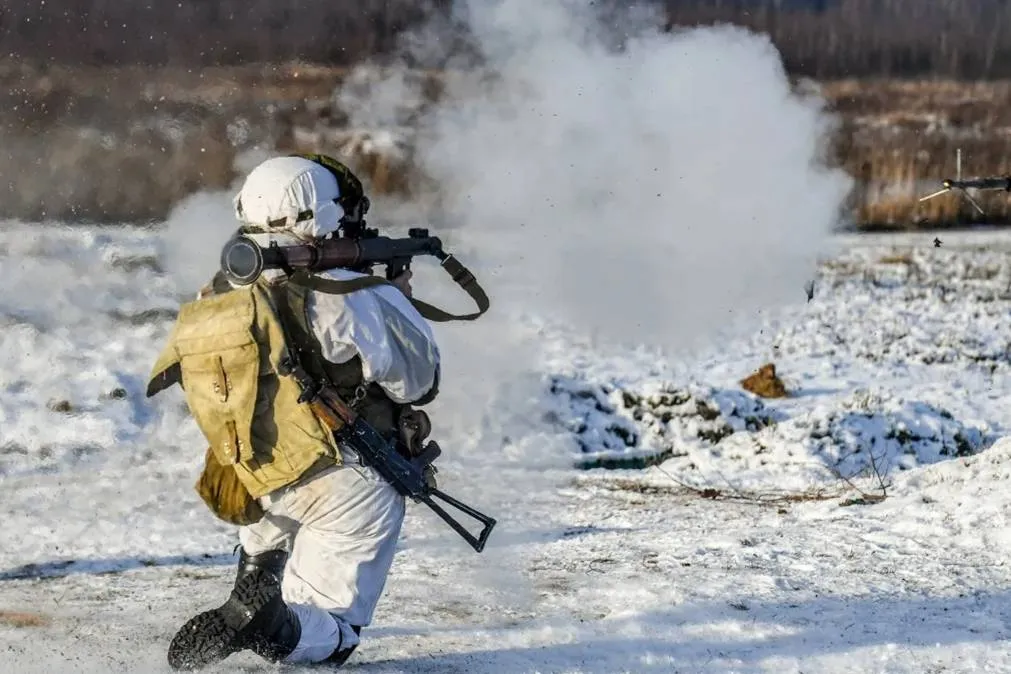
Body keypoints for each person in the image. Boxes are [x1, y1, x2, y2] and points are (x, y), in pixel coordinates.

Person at [147, 154, 441, 670]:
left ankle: (253, 586)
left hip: (258, 472)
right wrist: (399, 302)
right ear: (324, 215)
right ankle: (268, 625)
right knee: (335, 630)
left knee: (269, 560)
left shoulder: (219, 295)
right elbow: (419, 381)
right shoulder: (359, 297)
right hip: (347, 481)